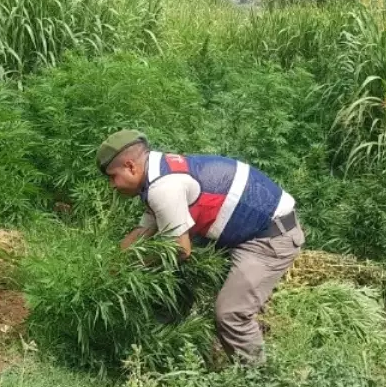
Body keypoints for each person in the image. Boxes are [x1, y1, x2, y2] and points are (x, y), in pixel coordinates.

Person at [97, 130, 305, 365]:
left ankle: (259, 384)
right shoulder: (158, 173)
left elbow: (179, 250)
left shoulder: (163, 187)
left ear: (130, 166)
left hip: (270, 237)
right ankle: (162, 347)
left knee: (231, 313)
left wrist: (129, 267)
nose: (112, 185)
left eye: (112, 177)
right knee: (175, 281)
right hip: (245, 230)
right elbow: (142, 232)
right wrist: (108, 266)